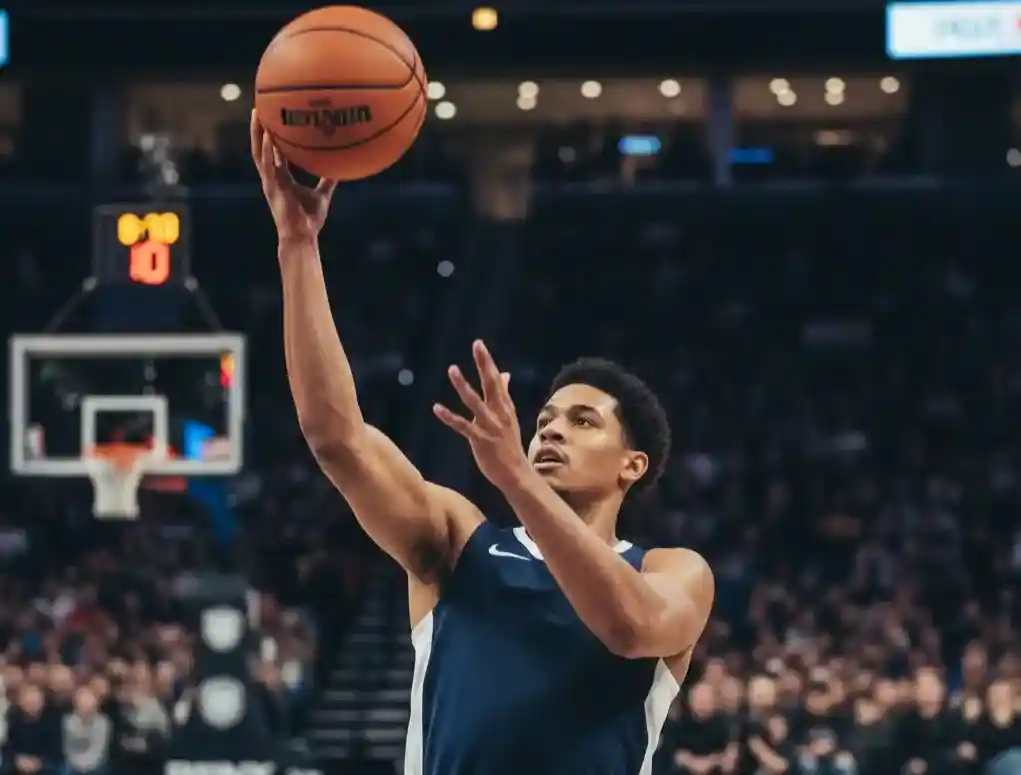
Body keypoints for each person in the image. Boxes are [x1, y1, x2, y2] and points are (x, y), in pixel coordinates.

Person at [250, 112, 715, 775]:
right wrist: (297, 245)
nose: (550, 427)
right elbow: (337, 438)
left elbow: (630, 627)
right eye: (545, 417)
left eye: (583, 420)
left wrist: (517, 481)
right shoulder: (460, 540)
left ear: (631, 465)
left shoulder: (671, 571)